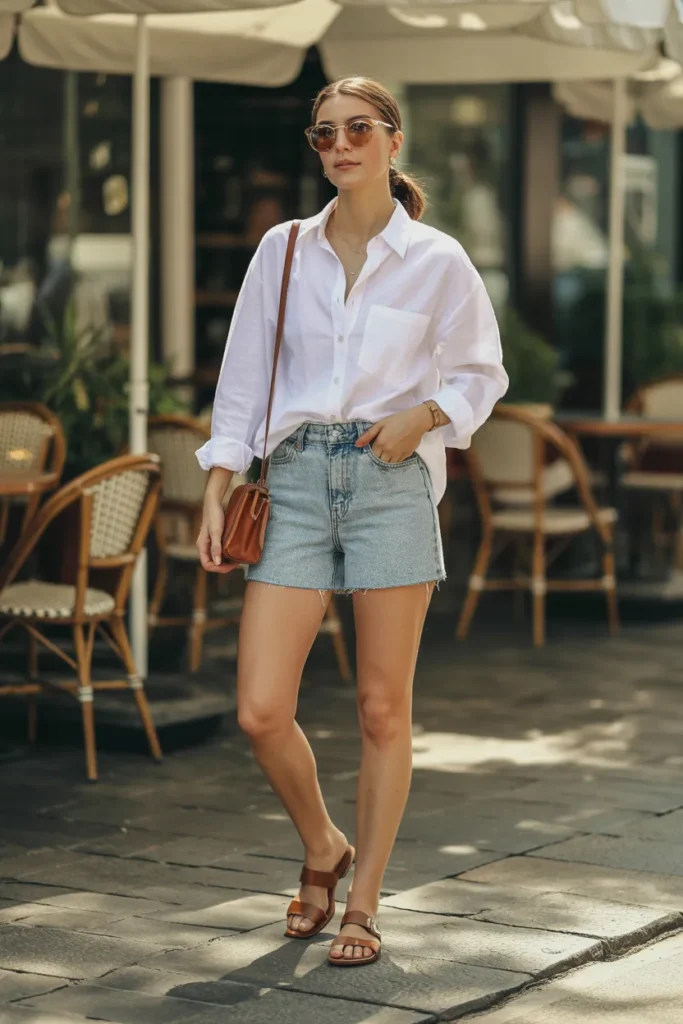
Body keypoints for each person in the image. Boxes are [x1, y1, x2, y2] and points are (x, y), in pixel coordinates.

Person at [196, 77, 508, 967]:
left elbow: (481, 374)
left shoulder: (438, 260)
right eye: (324, 133)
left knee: (381, 708)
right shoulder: (282, 250)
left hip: (388, 479)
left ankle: (361, 899)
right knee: (260, 710)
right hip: (290, 482)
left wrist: (425, 416)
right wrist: (219, 484)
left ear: (392, 141)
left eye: (358, 129)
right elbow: (243, 378)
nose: (340, 146)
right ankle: (323, 844)